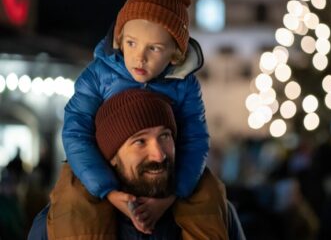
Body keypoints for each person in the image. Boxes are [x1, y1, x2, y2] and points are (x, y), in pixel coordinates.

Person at [59, 0, 228, 238]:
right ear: (119, 39)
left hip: (169, 176)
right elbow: (75, 130)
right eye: (131, 43)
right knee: (73, 207)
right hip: (96, 168)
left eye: (155, 48)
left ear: (176, 53)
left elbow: (195, 138)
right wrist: (107, 190)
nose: (139, 57)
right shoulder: (98, 75)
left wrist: (175, 193)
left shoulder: (184, 85)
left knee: (208, 198)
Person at [28, 89, 246, 239]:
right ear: (111, 156)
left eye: (165, 136)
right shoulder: (55, 224)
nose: (159, 155)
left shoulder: (218, 213)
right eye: (140, 141)